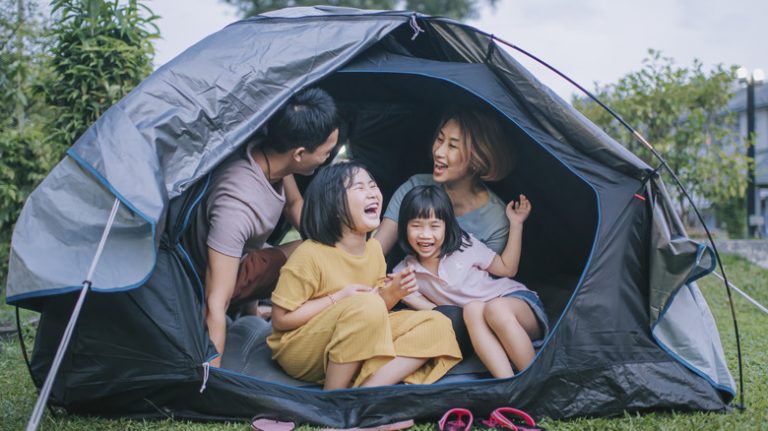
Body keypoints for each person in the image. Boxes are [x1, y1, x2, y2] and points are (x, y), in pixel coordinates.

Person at [267, 162, 462, 389]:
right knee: (366, 304)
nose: (372, 193)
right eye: (360, 188)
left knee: (437, 323)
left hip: (354, 340)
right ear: (335, 205)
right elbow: (281, 320)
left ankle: (367, 392)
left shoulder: (374, 250)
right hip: (302, 349)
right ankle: (335, 398)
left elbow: (375, 312)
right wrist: (339, 297)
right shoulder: (310, 254)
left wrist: (393, 293)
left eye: (373, 185)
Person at [185, 87, 340, 367]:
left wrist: (334, 249)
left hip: (242, 254)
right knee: (306, 253)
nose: (327, 159)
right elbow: (215, 302)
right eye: (326, 153)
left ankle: (251, 314)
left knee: (318, 248)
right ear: (300, 153)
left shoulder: (270, 154)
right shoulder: (237, 204)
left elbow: (294, 204)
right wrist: (214, 380)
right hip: (209, 273)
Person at [374, 107, 516, 355]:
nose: (439, 152)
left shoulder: (496, 218)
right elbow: (375, 253)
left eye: (452, 146)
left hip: (464, 315)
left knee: (459, 318)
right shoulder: (415, 188)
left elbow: (482, 291)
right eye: (439, 140)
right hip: (409, 297)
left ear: (477, 157)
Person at [392, 185, 548, 378]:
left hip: (515, 306)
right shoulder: (405, 272)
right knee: (472, 309)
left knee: (494, 308)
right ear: (404, 227)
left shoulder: (464, 246)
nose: (425, 234)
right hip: (481, 325)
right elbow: (439, 315)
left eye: (434, 226)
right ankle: (508, 384)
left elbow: (507, 268)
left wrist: (516, 224)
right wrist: (403, 295)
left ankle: (534, 380)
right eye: (416, 226)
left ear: (447, 226)